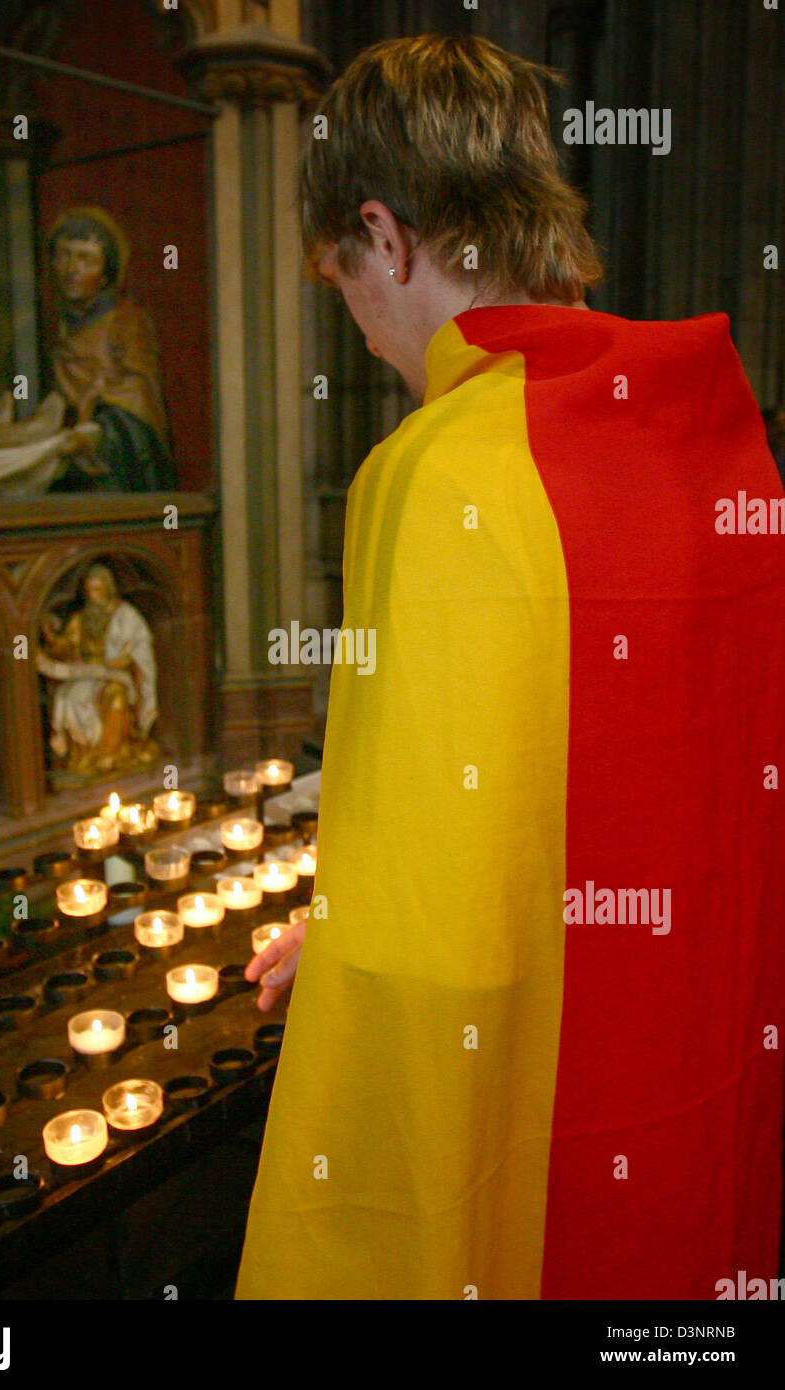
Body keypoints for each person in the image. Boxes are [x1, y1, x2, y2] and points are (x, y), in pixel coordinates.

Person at [235, 34, 785, 1300]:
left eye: (341, 283)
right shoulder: (717, 438)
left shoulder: (434, 475)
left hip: (532, 1125)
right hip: (696, 1043)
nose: (365, 334)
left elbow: (434, 936)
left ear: (386, 236)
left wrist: (353, 934)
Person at [47, 206, 177, 493]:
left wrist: (96, 426)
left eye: (86, 259)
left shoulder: (127, 321)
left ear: (106, 273)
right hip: (66, 452)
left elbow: (139, 389)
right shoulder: (56, 325)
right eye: (64, 255)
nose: (72, 270)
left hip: (116, 455)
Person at [37, 563, 158, 776]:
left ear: (108, 589)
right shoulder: (81, 618)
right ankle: (85, 756)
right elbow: (66, 647)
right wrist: (50, 637)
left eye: (98, 590)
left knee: (116, 697)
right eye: (89, 591)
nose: (93, 596)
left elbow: (140, 649)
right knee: (71, 699)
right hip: (86, 673)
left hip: (116, 675)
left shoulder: (126, 615)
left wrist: (124, 660)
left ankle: (113, 753)